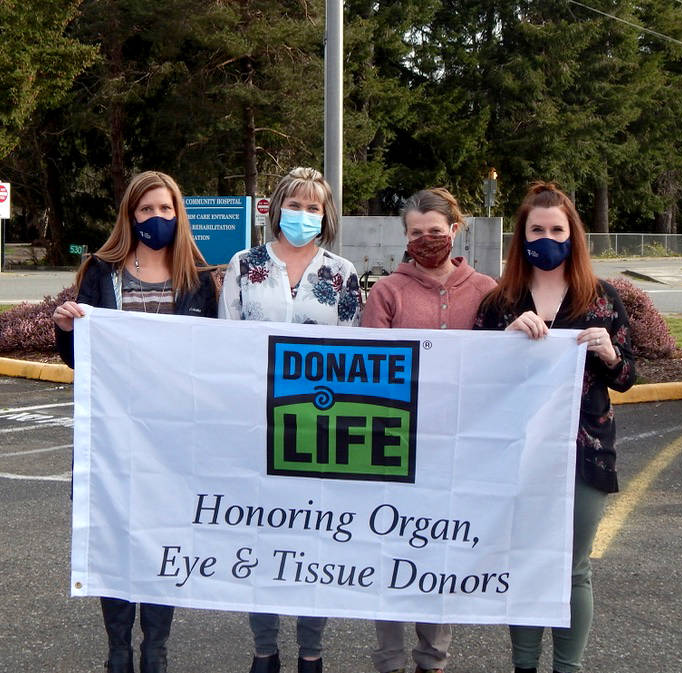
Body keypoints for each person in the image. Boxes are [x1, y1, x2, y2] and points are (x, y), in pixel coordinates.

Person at [53, 170, 218, 673]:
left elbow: (213, 360)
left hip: (172, 438)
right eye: (146, 210)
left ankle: (156, 649)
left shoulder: (199, 279)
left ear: (178, 214)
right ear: (129, 215)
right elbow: (82, 358)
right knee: (115, 538)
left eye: (165, 209)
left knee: (163, 539)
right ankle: (119, 648)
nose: (156, 218)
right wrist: (65, 329)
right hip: (112, 435)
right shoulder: (101, 272)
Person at [474, 182, 635, 673]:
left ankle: (568, 667)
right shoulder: (500, 301)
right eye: (536, 229)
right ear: (521, 237)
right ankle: (524, 665)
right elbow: (476, 377)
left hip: (583, 452)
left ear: (574, 235)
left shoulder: (601, 298)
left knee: (572, 568)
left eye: (557, 229)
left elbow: (627, 376)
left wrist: (607, 352)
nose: (547, 237)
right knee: (524, 562)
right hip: (517, 454)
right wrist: (506, 340)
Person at [218, 166, 361, 673]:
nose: (302, 215)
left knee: (313, 538)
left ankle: (311, 651)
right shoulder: (244, 263)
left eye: (313, 207)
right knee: (262, 535)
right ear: (276, 208)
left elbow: (354, 356)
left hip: (316, 431)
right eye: (294, 205)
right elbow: (226, 343)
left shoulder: (341, 275)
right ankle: (264, 648)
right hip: (257, 428)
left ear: (326, 216)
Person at [361, 187, 496, 673]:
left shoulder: (486, 290)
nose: (426, 241)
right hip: (395, 445)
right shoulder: (386, 292)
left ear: (455, 230)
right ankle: (389, 660)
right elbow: (370, 371)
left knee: (440, 551)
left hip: (458, 447)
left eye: (436, 232)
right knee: (389, 550)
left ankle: (432, 659)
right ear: (405, 237)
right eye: (416, 234)